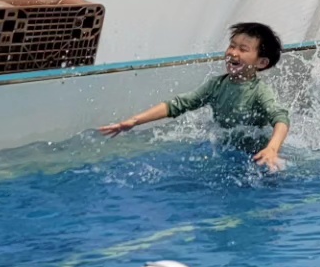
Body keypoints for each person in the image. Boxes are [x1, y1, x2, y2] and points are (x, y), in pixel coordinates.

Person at [99, 22, 290, 171]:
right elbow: (178, 104)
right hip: (227, 152)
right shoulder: (216, 85)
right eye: (232, 46)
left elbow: (281, 119)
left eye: (243, 49)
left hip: (257, 156)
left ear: (262, 63)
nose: (233, 53)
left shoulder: (259, 91)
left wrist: (272, 149)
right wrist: (134, 120)